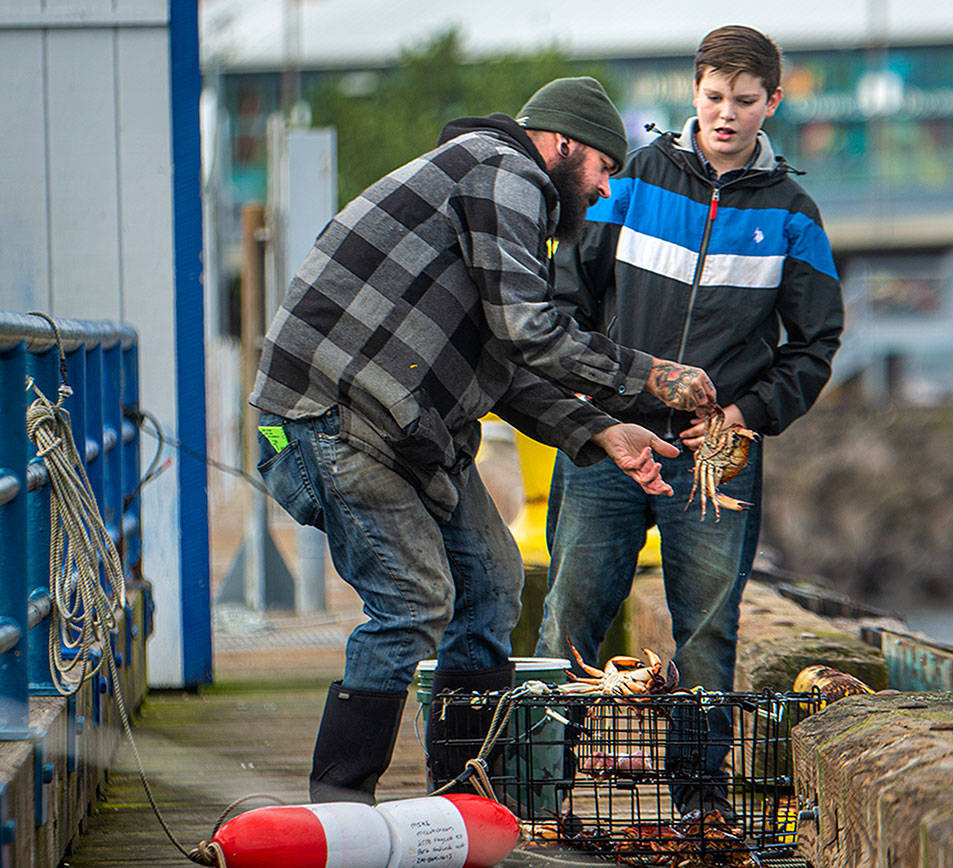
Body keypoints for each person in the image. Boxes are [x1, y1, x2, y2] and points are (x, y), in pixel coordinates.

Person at [249, 76, 718, 804]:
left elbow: (505, 368)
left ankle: (465, 796)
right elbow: (531, 328)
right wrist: (649, 376)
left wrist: (602, 433)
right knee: (412, 601)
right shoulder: (504, 170)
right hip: (330, 419)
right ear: (564, 142)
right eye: (603, 170)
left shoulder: (495, 191)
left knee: (494, 580)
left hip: (404, 430)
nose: (602, 192)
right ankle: (339, 803)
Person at [534, 27, 843, 816]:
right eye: (713, 98)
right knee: (569, 614)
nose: (726, 115)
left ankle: (700, 805)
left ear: (772, 102)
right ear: (693, 91)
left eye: (745, 102)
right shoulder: (631, 181)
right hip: (606, 442)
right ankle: (533, 791)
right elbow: (566, 299)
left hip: (714, 460)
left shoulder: (795, 218)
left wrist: (744, 413)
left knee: (707, 632)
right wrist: (590, 408)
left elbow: (815, 347)